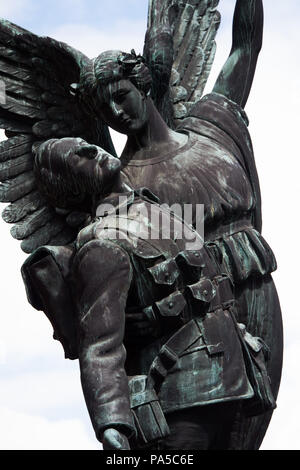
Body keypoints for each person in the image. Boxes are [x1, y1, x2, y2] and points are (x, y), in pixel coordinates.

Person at [72, 0, 282, 449]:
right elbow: (113, 286)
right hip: (193, 317)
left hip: (256, 296)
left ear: (142, 84)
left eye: (122, 94)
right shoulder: (122, 186)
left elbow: (246, 47)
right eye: (105, 107)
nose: (116, 110)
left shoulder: (212, 126)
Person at [21, 138, 275, 450]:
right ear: (74, 187)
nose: (92, 149)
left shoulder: (155, 210)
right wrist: (111, 420)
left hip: (232, 384)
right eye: (78, 155)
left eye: (86, 144)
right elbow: (100, 343)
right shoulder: (101, 243)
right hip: (180, 398)